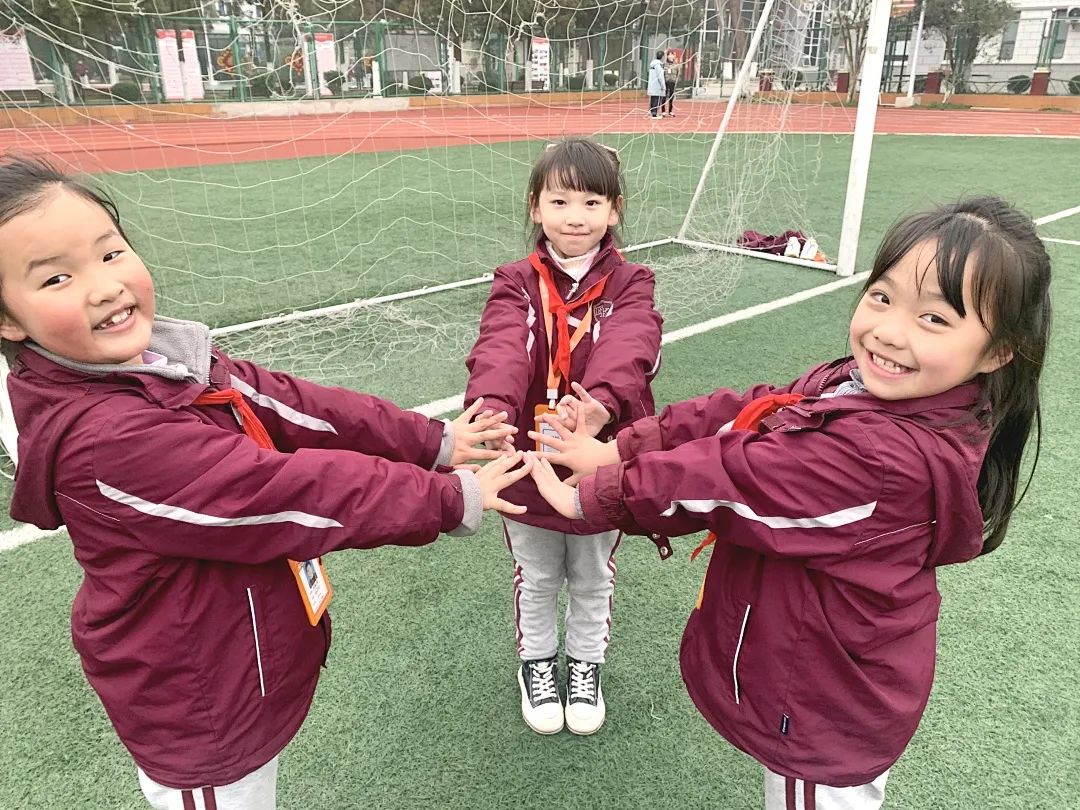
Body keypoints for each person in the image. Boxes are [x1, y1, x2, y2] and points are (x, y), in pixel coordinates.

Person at [0, 153, 532, 810]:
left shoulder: (163, 360)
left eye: (110, 254)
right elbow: (284, 493)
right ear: (8, 319)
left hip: (237, 665)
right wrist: (450, 497)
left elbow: (290, 403)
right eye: (57, 277)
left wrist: (434, 441)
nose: (104, 286)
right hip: (200, 710)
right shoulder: (106, 439)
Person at [529, 196, 1051, 807]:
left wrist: (597, 493)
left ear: (998, 351)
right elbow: (751, 413)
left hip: (823, 711)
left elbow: (733, 481)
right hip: (822, 674)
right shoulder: (855, 385)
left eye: (934, 318)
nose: (888, 331)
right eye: (882, 296)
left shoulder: (883, 459)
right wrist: (623, 445)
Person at [465, 137, 663, 735]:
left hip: (598, 455)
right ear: (535, 207)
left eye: (591, 202)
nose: (575, 217)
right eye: (559, 201)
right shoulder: (516, 280)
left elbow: (632, 344)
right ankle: (537, 663)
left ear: (615, 210)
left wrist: (599, 406)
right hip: (528, 455)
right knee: (538, 575)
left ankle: (584, 664)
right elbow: (503, 345)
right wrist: (492, 412)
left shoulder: (632, 281)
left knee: (594, 574)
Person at [647, 50, 666, 120]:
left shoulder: (652, 64)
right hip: (657, 85)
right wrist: (663, 86)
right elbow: (660, 77)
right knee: (657, 99)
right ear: (662, 57)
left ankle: (652, 111)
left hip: (652, 84)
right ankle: (654, 114)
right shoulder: (658, 65)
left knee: (653, 98)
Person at [662, 50, 679, 117]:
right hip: (666, 81)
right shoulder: (664, 64)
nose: (670, 56)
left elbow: (678, 73)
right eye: (669, 55)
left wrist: (676, 80)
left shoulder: (676, 65)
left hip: (672, 81)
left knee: (671, 97)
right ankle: (663, 111)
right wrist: (665, 53)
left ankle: (670, 111)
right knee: (664, 96)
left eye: (672, 55)